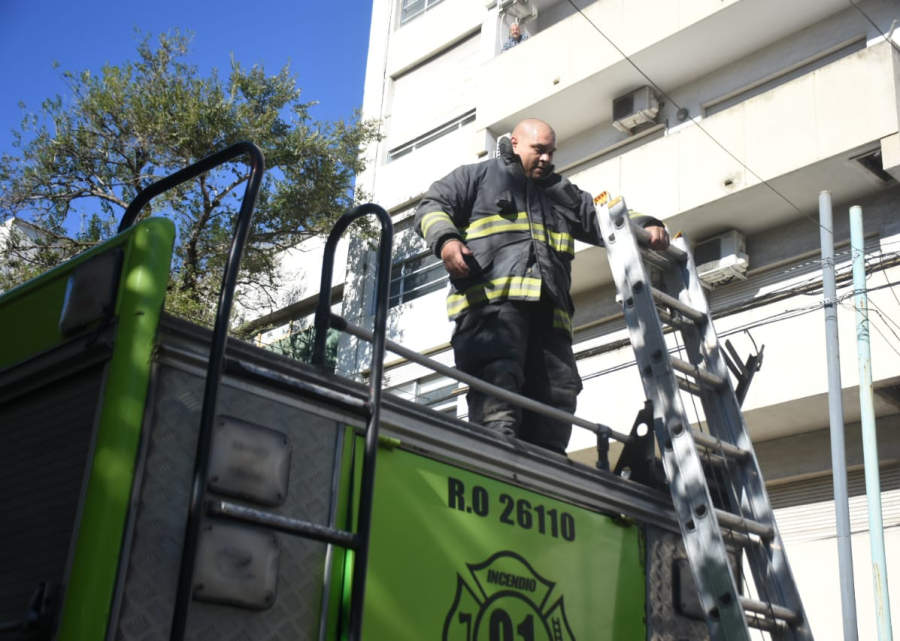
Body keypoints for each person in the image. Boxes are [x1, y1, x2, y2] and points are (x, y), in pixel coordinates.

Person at [414, 118, 669, 454]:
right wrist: (446, 241)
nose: (547, 158)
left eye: (551, 152)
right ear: (515, 143)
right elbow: (431, 206)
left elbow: (606, 218)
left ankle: (545, 470)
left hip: (550, 316)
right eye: (539, 149)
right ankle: (497, 462)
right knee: (498, 392)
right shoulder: (478, 177)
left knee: (557, 397)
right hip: (492, 308)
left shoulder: (561, 193)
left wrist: (647, 224)